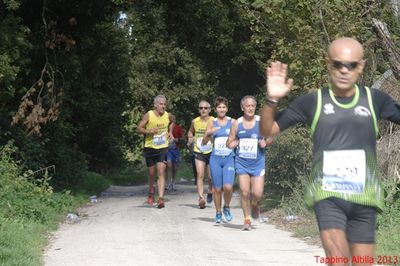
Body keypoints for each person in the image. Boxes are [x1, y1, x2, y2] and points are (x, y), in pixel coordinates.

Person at [260, 37, 400, 265]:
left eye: (351, 65)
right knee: (338, 261)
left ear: (361, 66)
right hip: (328, 195)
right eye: (338, 64)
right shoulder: (312, 101)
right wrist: (272, 100)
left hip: (365, 197)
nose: (344, 70)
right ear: (328, 64)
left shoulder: (374, 100)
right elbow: (267, 130)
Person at [227, 96, 271, 230]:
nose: (250, 108)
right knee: (244, 192)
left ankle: (255, 204)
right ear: (242, 108)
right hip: (242, 163)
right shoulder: (237, 123)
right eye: (247, 106)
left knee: (257, 194)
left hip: (258, 163)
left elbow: (270, 137)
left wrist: (266, 142)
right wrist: (236, 143)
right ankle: (247, 220)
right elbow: (229, 142)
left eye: (252, 106)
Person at [137, 95, 175, 209]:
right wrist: (149, 131)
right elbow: (138, 129)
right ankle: (151, 190)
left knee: (161, 172)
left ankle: (160, 198)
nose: (163, 106)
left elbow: (173, 121)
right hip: (150, 147)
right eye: (161, 104)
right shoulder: (149, 115)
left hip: (163, 147)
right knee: (152, 173)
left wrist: (170, 132)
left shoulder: (168, 115)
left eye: (164, 104)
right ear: (155, 105)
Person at [202, 96, 235, 223]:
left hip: (229, 158)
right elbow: (204, 142)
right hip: (215, 159)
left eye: (224, 107)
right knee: (217, 188)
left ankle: (226, 206)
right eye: (219, 107)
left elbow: (238, 137)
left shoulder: (233, 122)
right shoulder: (212, 123)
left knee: (228, 187)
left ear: (227, 109)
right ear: (216, 109)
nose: (221, 109)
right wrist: (209, 134)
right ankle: (218, 212)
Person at [187, 100, 214, 209]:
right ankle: (201, 198)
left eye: (205, 108)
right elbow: (190, 132)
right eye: (201, 108)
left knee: (210, 176)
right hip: (199, 150)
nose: (203, 110)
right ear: (198, 110)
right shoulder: (195, 121)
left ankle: (210, 190)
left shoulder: (214, 120)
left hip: (211, 150)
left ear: (209, 110)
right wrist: (190, 137)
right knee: (200, 174)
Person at [166, 120, 185, 192]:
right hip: (167, 150)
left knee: (175, 167)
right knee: (169, 165)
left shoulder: (178, 128)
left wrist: (178, 139)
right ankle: (168, 183)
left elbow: (183, 137)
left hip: (176, 149)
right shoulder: (165, 127)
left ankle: (173, 182)